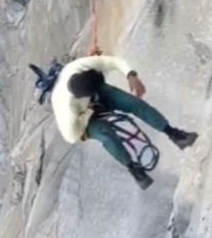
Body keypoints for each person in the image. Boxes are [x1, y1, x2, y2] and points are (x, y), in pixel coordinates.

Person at [50, 55, 198, 188]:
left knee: (132, 103)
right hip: (81, 120)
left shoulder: (81, 66)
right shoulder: (66, 108)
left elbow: (111, 61)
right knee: (105, 134)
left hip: (96, 94)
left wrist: (131, 75)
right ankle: (134, 169)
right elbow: (72, 136)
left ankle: (175, 134)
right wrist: (88, 111)